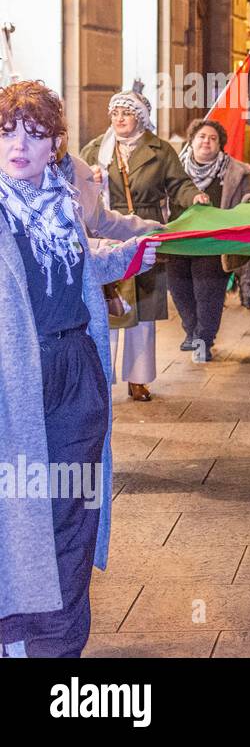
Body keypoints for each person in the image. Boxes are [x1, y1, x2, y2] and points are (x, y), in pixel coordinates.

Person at [0, 80, 162, 656]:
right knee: (20, 509)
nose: (19, 145)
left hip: (76, 372)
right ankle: (16, 636)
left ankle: (60, 644)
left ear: (56, 147)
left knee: (74, 510)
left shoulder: (65, 203)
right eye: (8, 131)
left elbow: (85, 263)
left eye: (35, 135)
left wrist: (141, 248)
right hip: (14, 379)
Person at [81, 90, 201, 402]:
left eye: (126, 113)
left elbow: (180, 185)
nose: (119, 119)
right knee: (107, 311)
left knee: (142, 316)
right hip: (105, 233)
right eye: (115, 113)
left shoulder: (160, 151)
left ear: (141, 117)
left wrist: (195, 198)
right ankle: (101, 380)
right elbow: (75, 185)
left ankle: (139, 379)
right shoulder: (95, 149)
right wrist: (90, 182)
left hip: (143, 232)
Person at [166, 119, 250, 361]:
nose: (206, 141)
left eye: (213, 138)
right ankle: (192, 331)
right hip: (178, 242)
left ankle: (204, 340)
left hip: (213, 245)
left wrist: (249, 201)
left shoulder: (235, 171)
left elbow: (248, 196)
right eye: (202, 137)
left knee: (208, 295)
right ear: (191, 141)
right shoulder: (174, 168)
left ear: (220, 145)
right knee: (180, 291)